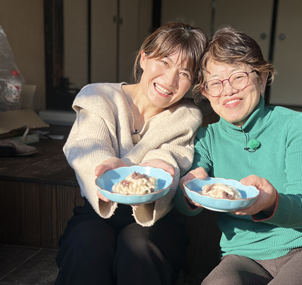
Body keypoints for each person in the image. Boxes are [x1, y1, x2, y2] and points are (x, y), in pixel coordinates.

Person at [174, 27, 302, 285]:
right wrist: (189, 189)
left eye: (238, 77)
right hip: (243, 255)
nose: (227, 91)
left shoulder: (295, 125)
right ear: (206, 92)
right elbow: (184, 206)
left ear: (262, 79)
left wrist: (271, 201)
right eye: (215, 83)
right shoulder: (206, 138)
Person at [55, 22, 208, 285]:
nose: (170, 80)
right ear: (144, 58)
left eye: (184, 73)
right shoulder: (98, 95)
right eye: (164, 62)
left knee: (139, 246)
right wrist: (105, 167)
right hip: (97, 209)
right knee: (87, 244)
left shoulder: (187, 115)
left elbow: (173, 154)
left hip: (156, 217)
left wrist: (160, 168)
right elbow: (88, 144)